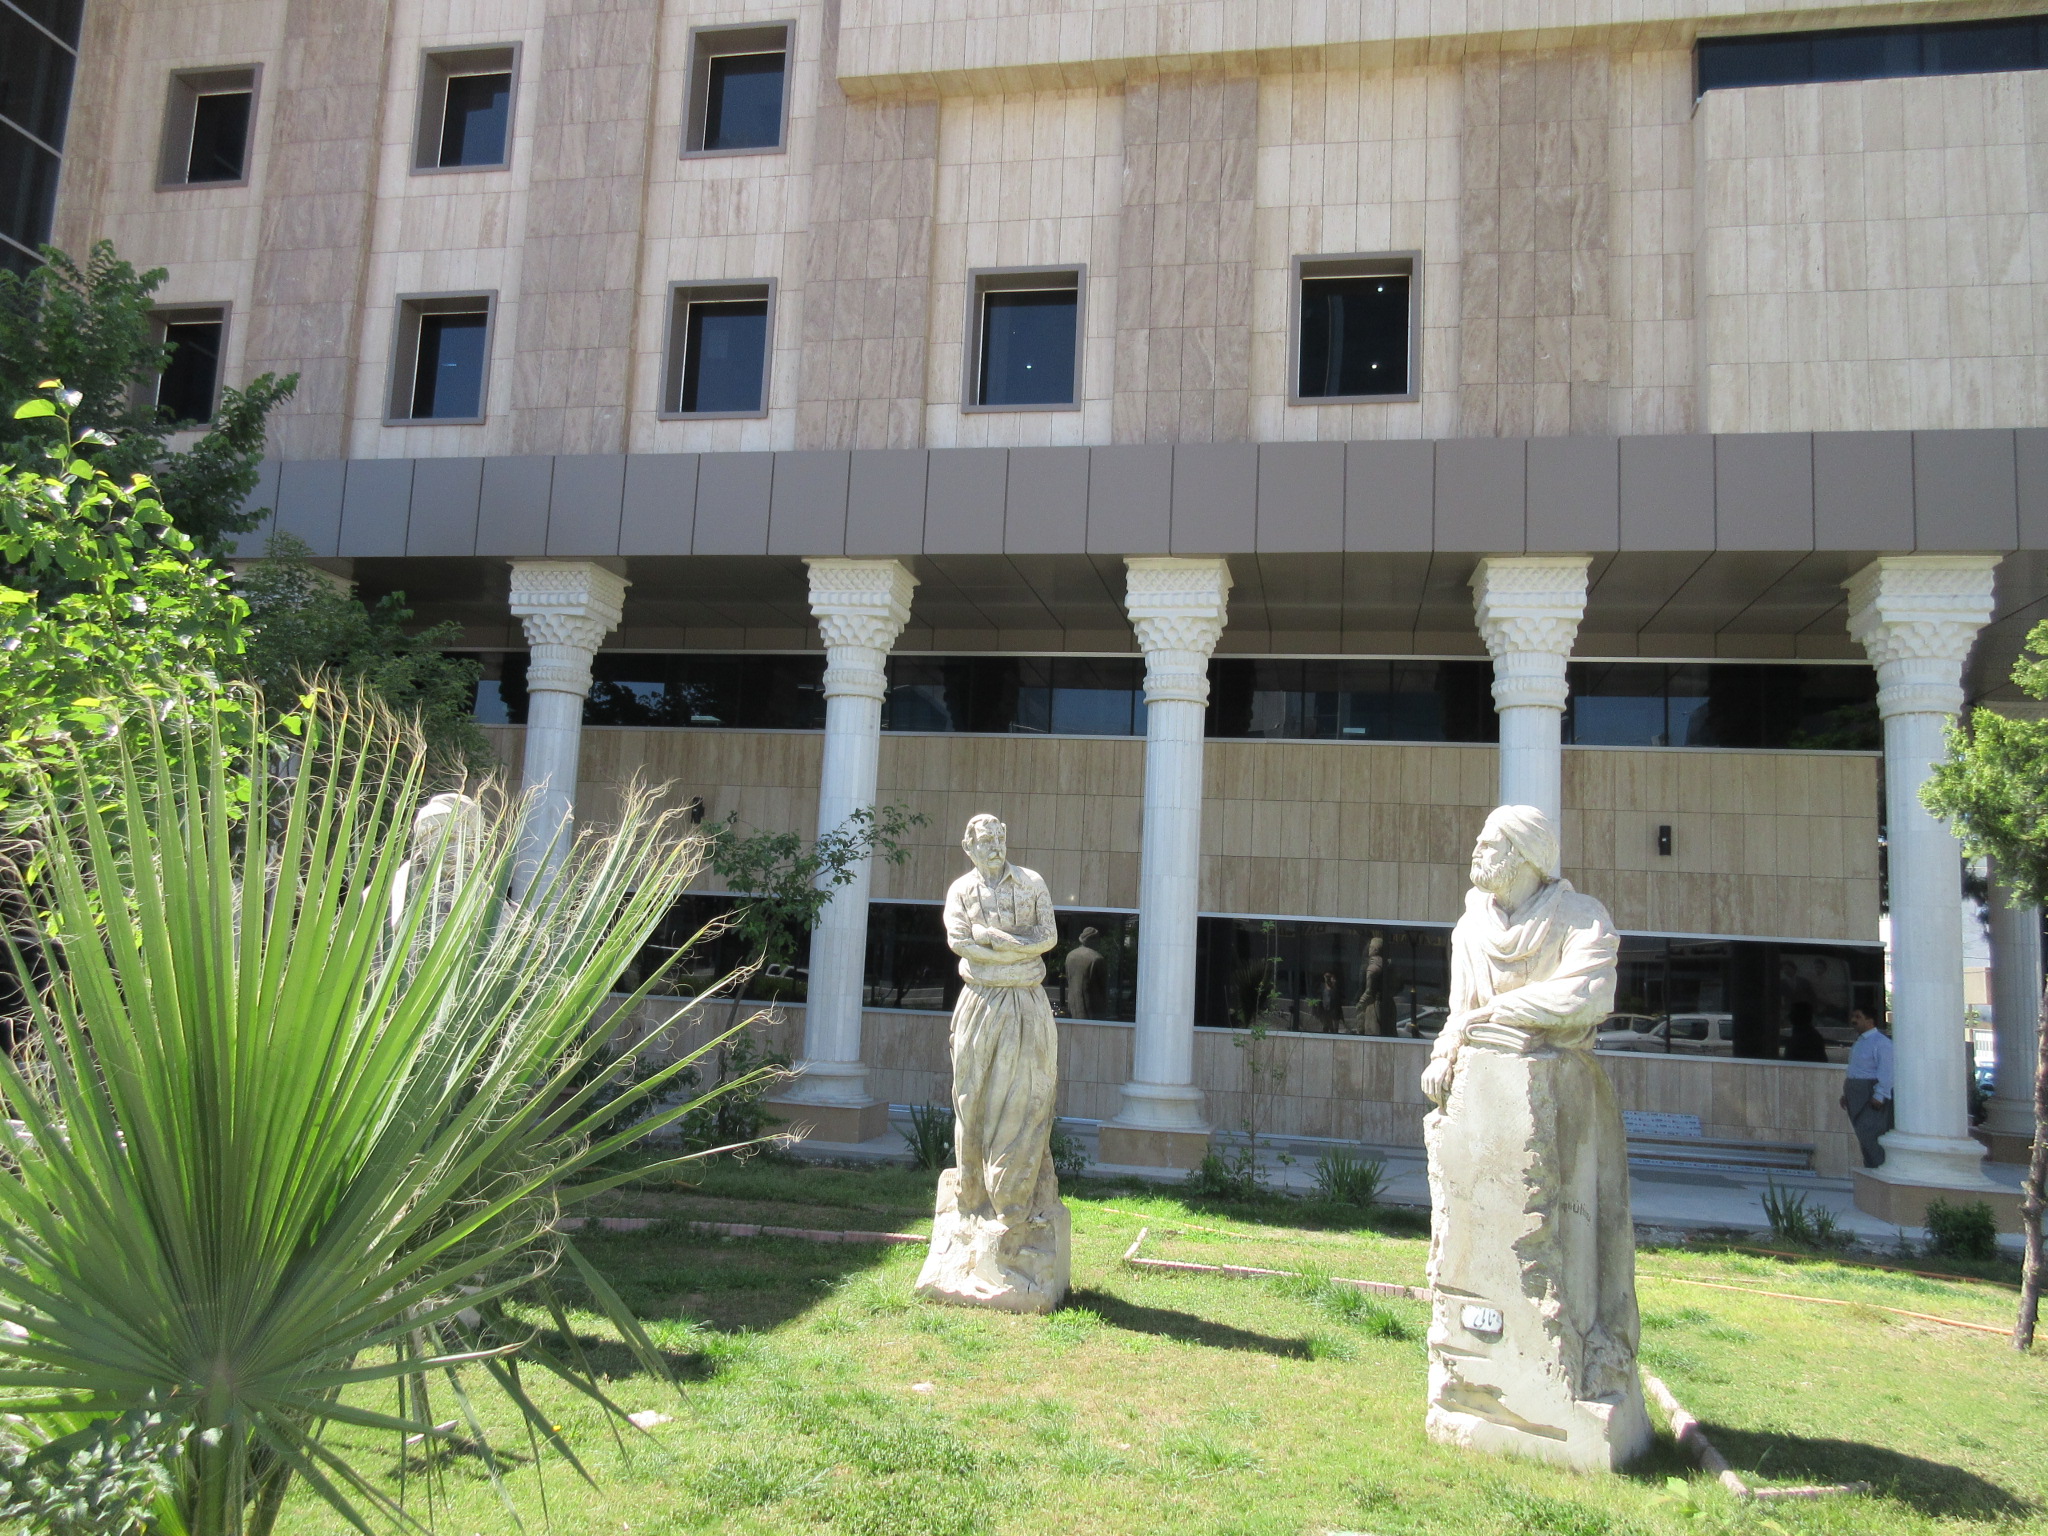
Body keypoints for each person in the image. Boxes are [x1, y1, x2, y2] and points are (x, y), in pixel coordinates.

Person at [1420, 804, 1649, 1470]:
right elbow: (1459, 1013)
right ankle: (1476, 1369)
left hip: (1561, 1098)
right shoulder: (1472, 926)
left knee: (1570, 1234)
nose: (1475, 851)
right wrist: (1446, 1050)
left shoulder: (1582, 920)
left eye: (1488, 844)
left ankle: (1573, 1365)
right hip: (1482, 1104)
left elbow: (1585, 996)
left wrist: (1495, 1014)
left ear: (1523, 856)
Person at [914, 814, 1070, 1312]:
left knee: (1029, 1096)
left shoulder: (1032, 883)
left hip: (1027, 1002)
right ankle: (971, 1201)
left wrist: (997, 943)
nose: (996, 846)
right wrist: (1013, 954)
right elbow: (959, 942)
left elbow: (1047, 937)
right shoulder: (961, 890)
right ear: (969, 846)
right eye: (986, 840)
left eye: (1001, 838)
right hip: (980, 1001)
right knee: (972, 1098)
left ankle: (1016, 1207)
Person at [1839, 1004, 1894, 1168]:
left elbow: (1887, 1070)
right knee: (1863, 1136)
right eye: (1853, 1016)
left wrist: (1879, 1095)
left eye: (1858, 1017)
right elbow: (1856, 1069)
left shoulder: (1881, 1042)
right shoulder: (1860, 1042)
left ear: (1870, 1021)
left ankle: (1880, 1168)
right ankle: (1870, 1168)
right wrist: (1847, 1095)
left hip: (1870, 1095)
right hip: (1856, 1095)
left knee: (1871, 1133)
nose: (1853, 1020)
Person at [1357, 933, 1395, 1036]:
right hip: (1388, 1002)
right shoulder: (1388, 963)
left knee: (1373, 1032)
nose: (1368, 949)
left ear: (1376, 950)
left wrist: (1363, 1000)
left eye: (1370, 947)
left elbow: (1370, 979)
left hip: (1375, 1003)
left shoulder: (1374, 962)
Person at [1063, 926, 1103, 1020]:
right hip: (1091, 1008)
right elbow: (1102, 986)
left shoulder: (1070, 955)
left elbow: (1068, 978)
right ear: (1094, 940)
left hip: (1072, 1004)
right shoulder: (1097, 958)